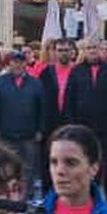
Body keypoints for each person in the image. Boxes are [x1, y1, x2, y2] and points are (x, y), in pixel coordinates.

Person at [63, 39, 107, 202]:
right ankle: (88, 198)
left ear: (101, 50)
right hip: (83, 128)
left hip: (105, 126)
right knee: (86, 165)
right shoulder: (76, 71)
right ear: (84, 50)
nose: (92, 51)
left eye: (95, 48)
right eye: (89, 48)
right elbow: (69, 99)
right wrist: (71, 125)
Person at [0, 49, 46, 191]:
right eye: (14, 62)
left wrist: (40, 129)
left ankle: (25, 198)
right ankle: (7, 195)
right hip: (6, 135)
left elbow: (43, 108)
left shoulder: (35, 83)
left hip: (29, 135)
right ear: (9, 63)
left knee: (28, 169)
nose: (17, 65)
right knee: (6, 167)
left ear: (25, 63)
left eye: (21, 62)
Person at [38, 39, 78, 187]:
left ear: (72, 52)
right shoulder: (46, 73)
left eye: (66, 50)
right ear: (54, 52)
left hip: (72, 123)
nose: (63, 53)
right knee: (49, 159)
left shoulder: (78, 72)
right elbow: (40, 102)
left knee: (71, 158)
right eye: (60, 50)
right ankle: (48, 195)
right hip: (49, 124)